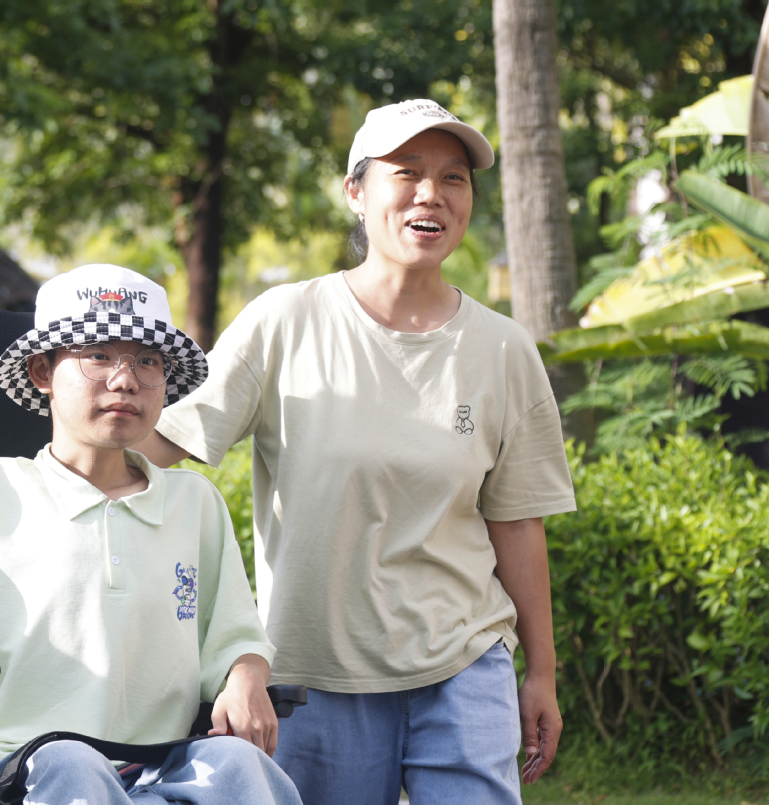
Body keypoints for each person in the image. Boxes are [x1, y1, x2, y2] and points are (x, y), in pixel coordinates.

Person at [137, 99, 577, 805]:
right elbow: (165, 440)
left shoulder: (503, 348)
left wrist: (542, 673)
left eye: (454, 177)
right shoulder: (286, 321)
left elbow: (518, 521)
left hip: (464, 662)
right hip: (313, 678)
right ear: (356, 192)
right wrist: (51, 459)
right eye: (407, 173)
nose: (431, 193)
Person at [0, 263, 302, 805]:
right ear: (42, 371)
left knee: (238, 764)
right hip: (18, 769)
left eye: (148, 361)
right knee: (70, 759)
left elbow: (234, 637)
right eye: (97, 355)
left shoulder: (195, 504)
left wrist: (247, 677)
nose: (126, 380)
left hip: (161, 766)